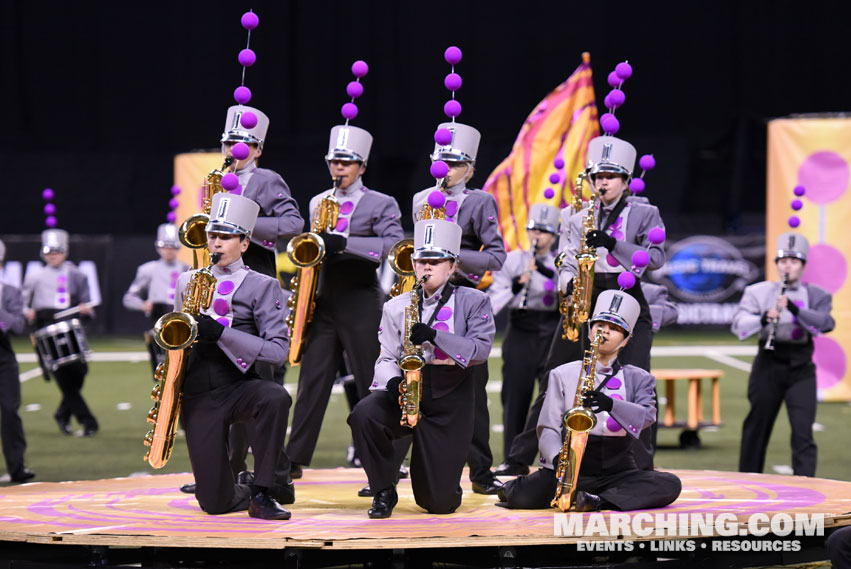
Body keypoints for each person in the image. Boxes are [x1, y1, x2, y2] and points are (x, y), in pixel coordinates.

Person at [496, 135, 667, 476]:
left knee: (636, 380)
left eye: (611, 176)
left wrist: (613, 244)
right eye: (597, 176)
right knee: (552, 378)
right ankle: (518, 460)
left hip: (627, 296)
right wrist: (570, 283)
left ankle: (641, 467)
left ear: (625, 180)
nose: (602, 182)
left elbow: (656, 259)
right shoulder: (576, 216)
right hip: (585, 295)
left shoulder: (646, 213)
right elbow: (567, 260)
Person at [348, 218, 495, 518]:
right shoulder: (396, 305)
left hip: (451, 399)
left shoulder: (475, 300)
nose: (426, 268)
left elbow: (480, 350)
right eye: (421, 261)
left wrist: (436, 337)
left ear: (452, 266)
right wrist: (391, 383)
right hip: (407, 389)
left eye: (435, 261)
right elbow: (387, 356)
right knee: (363, 415)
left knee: (439, 504)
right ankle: (383, 489)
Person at [286, 123, 404, 477]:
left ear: (362, 167)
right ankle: (291, 462)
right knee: (312, 381)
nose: (339, 168)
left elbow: (392, 247)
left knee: (374, 380)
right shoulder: (318, 202)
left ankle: (386, 459)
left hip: (362, 300)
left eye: (347, 162)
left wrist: (344, 242)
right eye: (334, 161)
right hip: (326, 301)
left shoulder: (382, 202)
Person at [498, 290, 681, 511]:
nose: (604, 331)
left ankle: (597, 500)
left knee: (669, 484)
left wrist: (611, 405)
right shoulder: (562, 373)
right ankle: (583, 495)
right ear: (590, 330)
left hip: (617, 471)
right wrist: (558, 461)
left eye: (614, 329)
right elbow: (548, 426)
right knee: (521, 497)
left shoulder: (639, 377)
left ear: (626, 340)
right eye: (599, 326)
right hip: (570, 465)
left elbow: (647, 416)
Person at [175, 192, 293, 520]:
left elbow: (277, 352)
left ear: (244, 243)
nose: (216, 244)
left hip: (239, 385)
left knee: (274, 397)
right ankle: (239, 487)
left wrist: (223, 333)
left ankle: (264, 492)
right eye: (213, 236)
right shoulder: (188, 281)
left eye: (226, 237)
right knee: (213, 503)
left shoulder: (263, 285)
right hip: (199, 391)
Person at [411, 121, 507, 495]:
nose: (447, 170)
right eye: (441, 161)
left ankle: (481, 471)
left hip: (462, 298)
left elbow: (496, 257)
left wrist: (453, 256)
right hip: (423, 295)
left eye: (455, 163)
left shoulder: (480, 200)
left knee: (471, 389)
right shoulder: (421, 199)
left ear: (470, 167)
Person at [731, 232, 834, 477]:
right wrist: (764, 317)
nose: (787, 265)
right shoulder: (758, 291)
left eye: (794, 261)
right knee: (757, 425)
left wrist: (796, 311)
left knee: (802, 431)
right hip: (768, 364)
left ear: (803, 265)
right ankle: (748, 479)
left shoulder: (817, 294)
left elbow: (825, 323)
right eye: (782, 261)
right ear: (776, 264)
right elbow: (739, 325)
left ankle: (806, 484)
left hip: (801, 367)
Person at [486, 204, 560, 462]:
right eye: (534, 230)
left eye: (544, 231)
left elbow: (568, 292)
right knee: (515, 396)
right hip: (521, 328)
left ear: (554, 235)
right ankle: (513, 459)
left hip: (552, 329)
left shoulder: (560, 262)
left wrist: (546, 271)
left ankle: (550, 459)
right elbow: (495, 301)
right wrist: (518, 286)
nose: (537, 236)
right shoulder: (513, 260)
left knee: (551, 400)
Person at [22, 229, 98, 437]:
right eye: (49, 252)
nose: (53, 255)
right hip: (46, 330)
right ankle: (88, 421)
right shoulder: (34, 276)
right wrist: (28, 313)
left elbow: (87, 304)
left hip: (71, 328)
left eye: (57, 251)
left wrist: (85, 310)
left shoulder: (77, 275)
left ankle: (62, 414)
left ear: (65, 252)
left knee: (79, 373)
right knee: (63, 378)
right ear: (43, 254)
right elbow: (23, 304)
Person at [219, 105, 304, 277]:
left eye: (240, 144)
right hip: (221, 268)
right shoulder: (219, 181)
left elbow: (294, 223)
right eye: (228, 144)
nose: (232, 150)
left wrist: (244, 226)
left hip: (256, 268)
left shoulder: (265, 179)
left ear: (258, 150)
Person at [123, 223, 189, 373]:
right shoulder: (148, 270)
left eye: (172, 246)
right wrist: (143, 305)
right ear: (158, 247)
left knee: (181, 370)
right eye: (164, 246)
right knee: (160, 370)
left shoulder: (187, 270)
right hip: (157, 322)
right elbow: (129, 298)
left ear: (178, 247)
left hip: (180, 324)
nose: (168, 250)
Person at [0, 239, 35, 483]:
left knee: (10, 411)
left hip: (3, 358)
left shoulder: (9, 291)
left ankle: (17, 467)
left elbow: (17, 326)